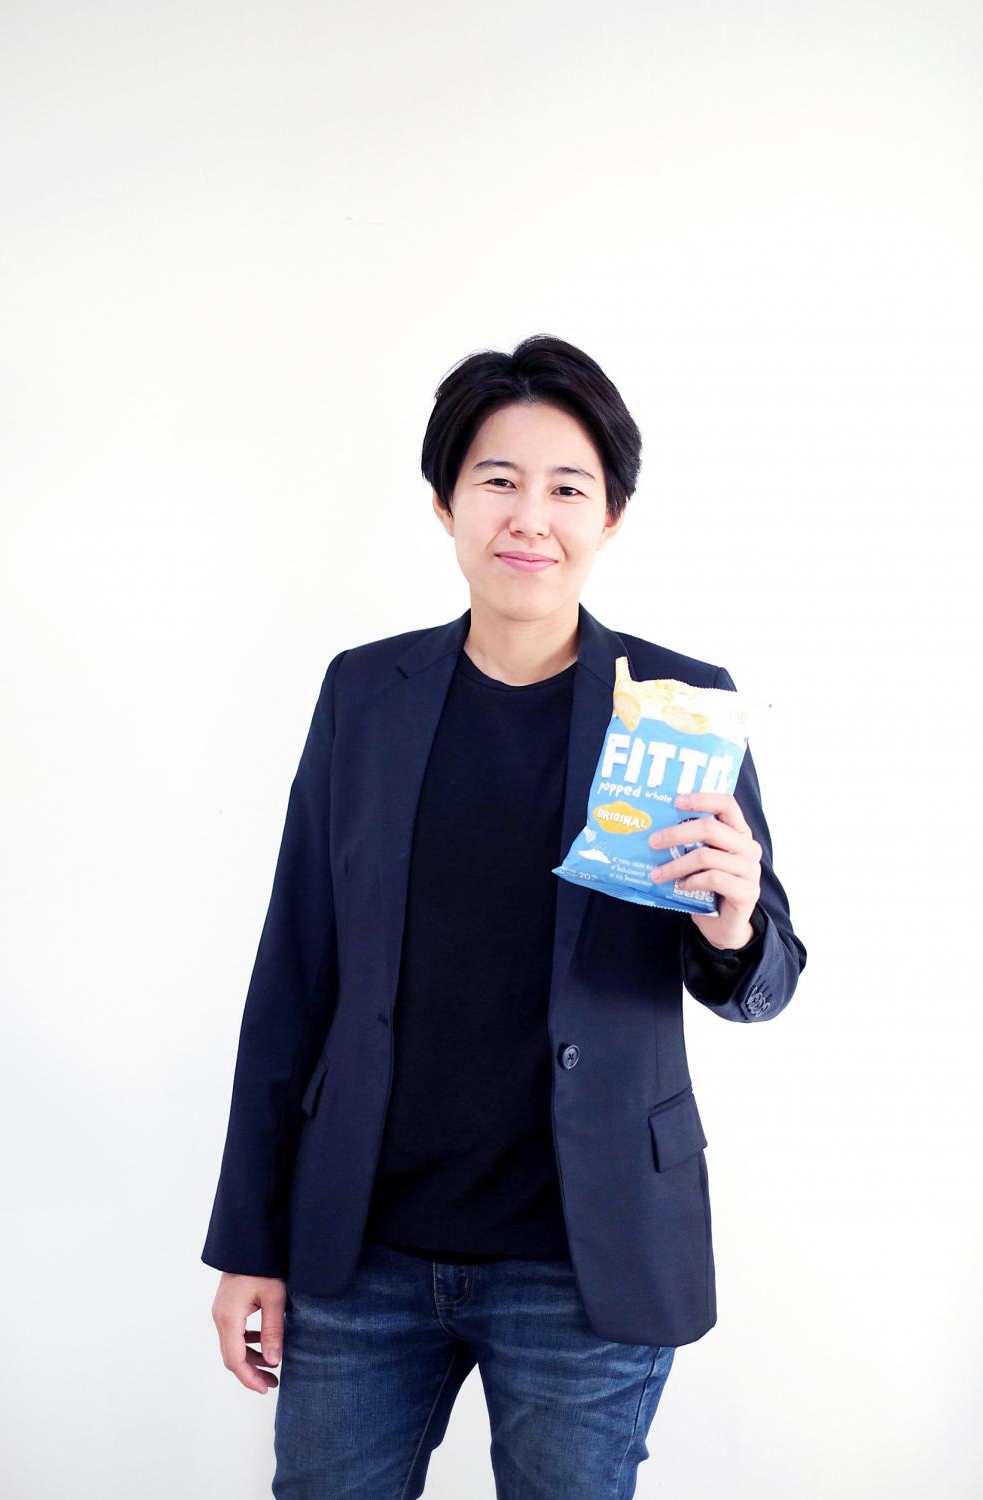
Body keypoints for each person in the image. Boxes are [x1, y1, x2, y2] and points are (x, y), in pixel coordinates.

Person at [203, 334, 807, 1498]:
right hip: (361, 1251)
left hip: (584, 1259)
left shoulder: (678, 706)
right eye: (497, 480)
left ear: (610, 517)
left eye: (568, 488)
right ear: (445, 503)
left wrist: (731, 924)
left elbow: (765, 976)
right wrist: (248, 1245)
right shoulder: (363, 694)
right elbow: (295, 973)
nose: (530, 516)